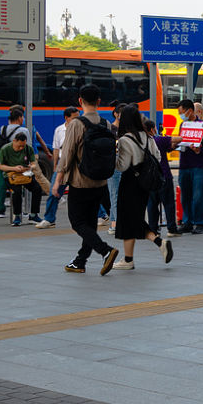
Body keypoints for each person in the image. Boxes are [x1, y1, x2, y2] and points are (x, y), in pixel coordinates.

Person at [53, 84, 120, 276]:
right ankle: (80, 261)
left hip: (80, 182)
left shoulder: (76, 124)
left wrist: (58, 181)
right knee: (89, 224)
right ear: (99, 101)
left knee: (77, 222)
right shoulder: (106, 124)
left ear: (80, 101)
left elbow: (67, 155)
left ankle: (105, 251)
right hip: (100, 183)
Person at [111, 106, 173, 270]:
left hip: (130, 182)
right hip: (145, 184)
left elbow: (122, 166)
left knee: (127, 219)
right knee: (134, 218)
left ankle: (130, 259)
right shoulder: (148, 137)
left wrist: (113, 158)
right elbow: (158, 157)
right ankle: (152, 246)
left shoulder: (125, 140)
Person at [38, 106, 80, 228]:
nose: (77, 120)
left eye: (78, 117)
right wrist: (55, 165)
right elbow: (56, 149)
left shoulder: (81, 128)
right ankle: (49, 219)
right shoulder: (59, 130)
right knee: (54, 192)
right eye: (74, 118)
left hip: (77, 164)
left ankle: (102, 214)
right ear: (66, 118)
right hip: (62, 164)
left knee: (84, 190)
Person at [176, 99, 203, 235]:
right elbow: (180, 141)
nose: (180, 115)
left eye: (181, 112)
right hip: (184, 164)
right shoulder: (182, 125)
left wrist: (200, 150)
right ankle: (187, 222)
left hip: (198, 165)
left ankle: (200, 223)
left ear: (189, 111)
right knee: (185, 195)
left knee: (198, 195)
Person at [0, 132, 43, 226]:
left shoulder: (28, 148)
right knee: (17, 191)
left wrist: (31, 166)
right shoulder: (5, 149)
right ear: (14, 141)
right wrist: (14, 168)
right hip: (10, 175)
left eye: (23, 146)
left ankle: (33, 214)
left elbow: (33, 162)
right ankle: (17, 216)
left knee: (37, 188)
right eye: (19, 146)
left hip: (25, 174)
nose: (21, 148)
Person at [143, 119, 179, 238]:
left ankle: (153, 229)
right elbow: (178, 139)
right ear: (153, 129)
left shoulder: (140, 141)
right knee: (168, 203)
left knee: (152, 204)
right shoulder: (158, 139)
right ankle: (172, 229)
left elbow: (168, 147)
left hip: (148, 178)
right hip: (163, 176)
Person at [0, 107, 29, 218]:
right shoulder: (23, 131)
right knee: (18, 186)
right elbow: (27, 147)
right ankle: (18, 212)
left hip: (5, 161)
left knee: (2, 185)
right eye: (22, 117)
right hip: (17, 162)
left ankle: (1, 210)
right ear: (19, 118)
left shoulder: (3, 128)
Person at [105, 102, 126, 235]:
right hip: (113, 164)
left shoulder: (127, 130)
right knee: (114, 193)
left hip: (125, 163)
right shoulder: (110, 129)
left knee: (120, 194)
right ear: (116, 114)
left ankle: (114, 223)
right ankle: (117, 224)